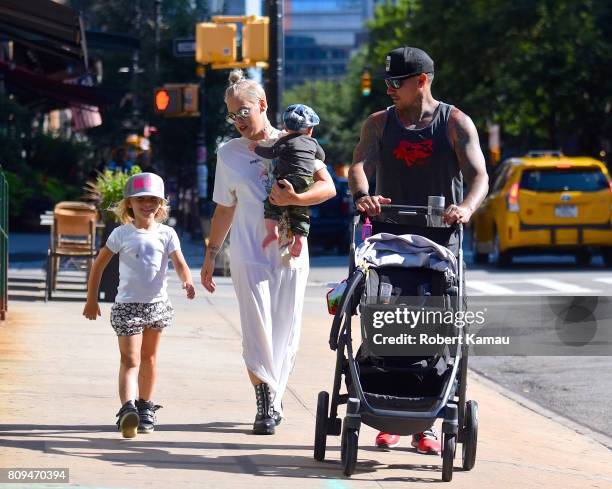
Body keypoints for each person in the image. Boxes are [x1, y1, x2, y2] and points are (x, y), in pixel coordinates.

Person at [349, 46, 489, 453]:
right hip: (390, 241)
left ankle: (426, 422)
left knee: (437, 325)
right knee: (383, 315)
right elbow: (359, 165)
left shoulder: (455, 122)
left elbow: (479, 175)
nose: (389, 89)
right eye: (387, 82)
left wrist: (465, 207)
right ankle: (384, 405)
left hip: (439, 242)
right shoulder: (378, 124)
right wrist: (364, 195)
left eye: (397, 82)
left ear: (422, 81)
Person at [201, 70, 336, 435]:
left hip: (290, 250)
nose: (238, 120)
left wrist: (296, 199)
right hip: (248, 251)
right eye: (232, 115)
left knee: (285, 328)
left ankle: (274, 397)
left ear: (262, 105)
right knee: (256, 327)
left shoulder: (294, 139)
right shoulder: (228, 154)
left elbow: (328, 188)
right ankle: (265, 403)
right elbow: (224, 208)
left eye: (244, 111)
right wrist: (212, 254)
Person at [83, 172, 196, 438]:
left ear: (161, 205)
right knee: (130, 359)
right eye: (141, 199)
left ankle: (145, 406)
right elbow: (99, 265)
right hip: (127, 307)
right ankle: (127, 409)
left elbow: (179, 263)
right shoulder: (121, 234)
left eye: (153, 200)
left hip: (157, 306)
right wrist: (91, 299)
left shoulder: (167, 234)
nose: (147, 204)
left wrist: (187, 281)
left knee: (149, 358)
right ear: (129, 204)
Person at [249, 103, 325, 257]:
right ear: (310, 129)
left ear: (285, 126)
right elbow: (321, 157)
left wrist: (256, 148)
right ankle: (299, 240)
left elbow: (271, 153)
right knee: (301, 212)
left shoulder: (285, 141)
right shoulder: (313, 142)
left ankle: (272, 232)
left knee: (272, 203)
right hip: (306, 181)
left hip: (287, 180)